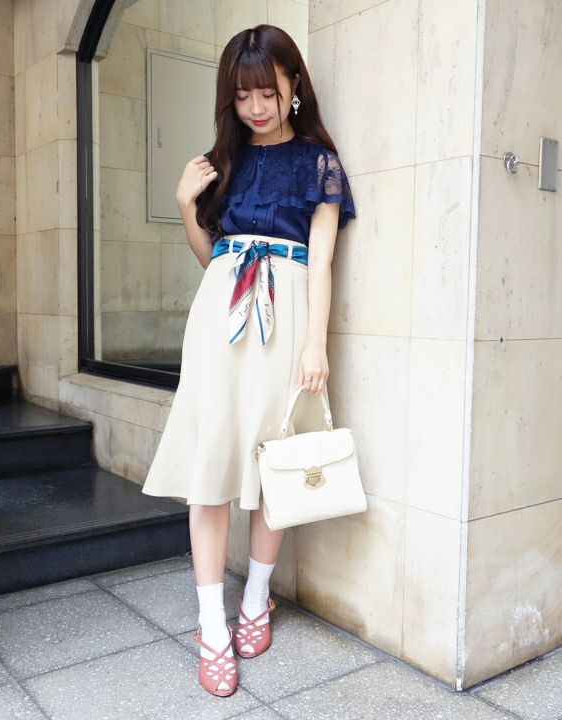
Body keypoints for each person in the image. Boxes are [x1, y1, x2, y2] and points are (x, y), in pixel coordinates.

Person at [141, 23, 356, 697]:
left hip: (286, 316)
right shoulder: (221, 162)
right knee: (209, 467)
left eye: (268, 91)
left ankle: (256, 599)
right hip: (222, 318)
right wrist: (185, 205)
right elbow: (212, 258)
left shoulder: (319, 162)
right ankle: (212, 625)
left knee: (275, 463)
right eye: (243, 95)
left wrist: (315, 342)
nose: (256, 106)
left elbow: (323, 260)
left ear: (294, 86)